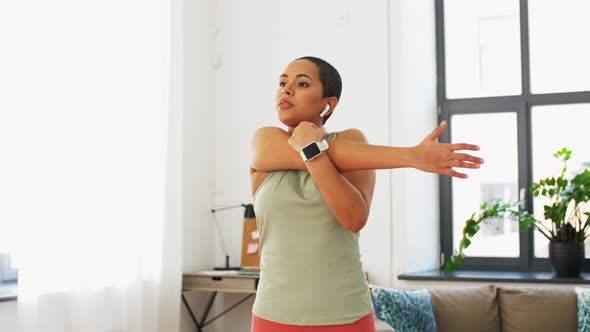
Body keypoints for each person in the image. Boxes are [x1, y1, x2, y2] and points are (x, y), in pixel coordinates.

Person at [249, 56, 483, 332]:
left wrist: (313, 151)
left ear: (328, 103)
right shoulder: (264, 140)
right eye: (282, 83)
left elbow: (354, 218)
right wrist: (411, 156)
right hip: (273, 314)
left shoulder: (352, 140)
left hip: (345, 313)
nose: (286, 90)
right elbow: (321, 152)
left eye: (301, 83)